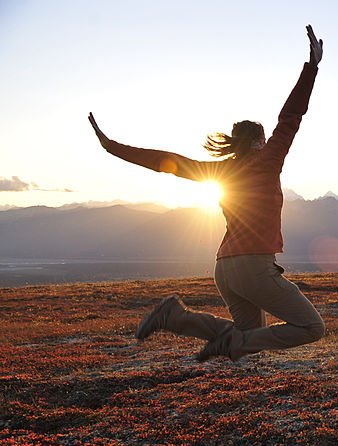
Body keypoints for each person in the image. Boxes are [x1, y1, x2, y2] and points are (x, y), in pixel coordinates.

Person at [88, 25, 326, 362]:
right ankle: (232, 345)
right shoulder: (267, 160)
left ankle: (175, 317)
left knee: (247, 336)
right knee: (311, 327)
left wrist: (112, 148)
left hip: (224, 270)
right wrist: (312, 66)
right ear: (259, 141)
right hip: (253, 267)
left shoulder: (219, 171)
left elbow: (166, 162)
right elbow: (290, 117)